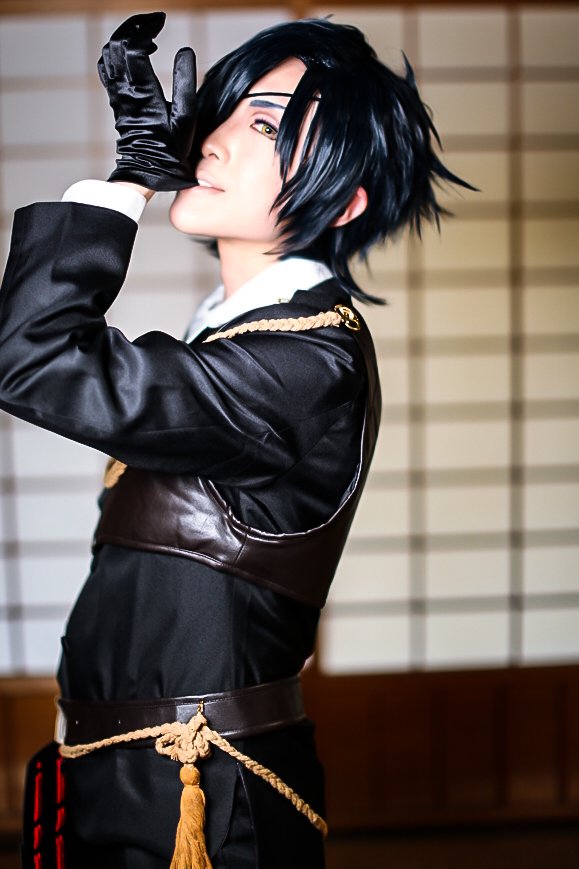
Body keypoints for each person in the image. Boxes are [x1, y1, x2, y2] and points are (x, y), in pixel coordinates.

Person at [0, 12, 468, 869]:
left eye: (263, 124)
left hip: (202, 797)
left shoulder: (306, 363)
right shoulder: (239, 336)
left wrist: (130, 179)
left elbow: (34, 358)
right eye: (222, 113)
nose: (210, 140)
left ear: (344, 196)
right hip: (124, 772)